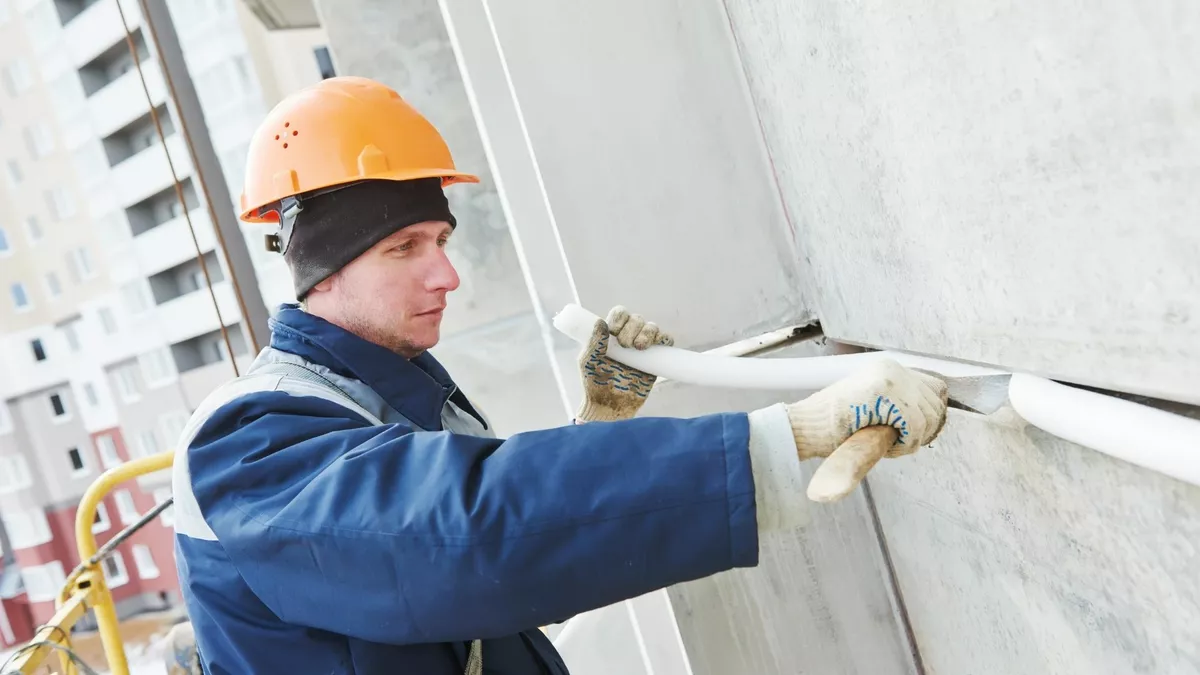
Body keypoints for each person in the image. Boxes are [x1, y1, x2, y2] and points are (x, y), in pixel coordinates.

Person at [169, 76, 949, 675]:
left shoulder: (386, 398)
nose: (447, 274)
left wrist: (598, 427)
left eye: (440, 237)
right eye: (403, 247)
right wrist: (793, 432)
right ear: (321, 271)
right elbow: (466, 531)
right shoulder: (249, 443)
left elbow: (486, 555)